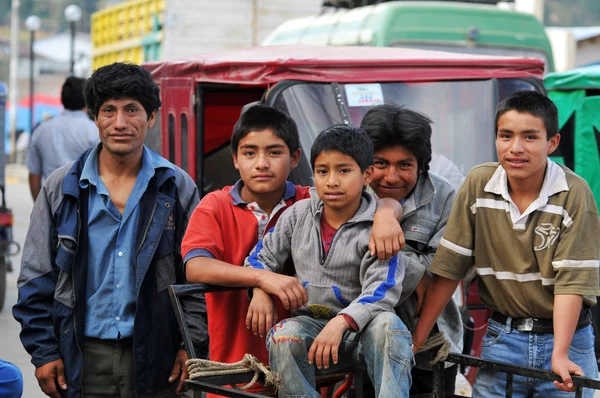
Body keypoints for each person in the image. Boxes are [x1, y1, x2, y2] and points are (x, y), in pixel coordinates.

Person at [13, 62, 206, 398]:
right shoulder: (61, 187)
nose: (120, 123)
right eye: (109, 110)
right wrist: (44, 351)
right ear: (95, 117)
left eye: (132, 109)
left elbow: (194, 277)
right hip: (81, 358)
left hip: (157, 356)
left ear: (151, 117)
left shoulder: (176, 187)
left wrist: (191, 344)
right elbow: (35, 276)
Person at [181, 105, 404, 389]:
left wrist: (387, 212)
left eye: (274, 152)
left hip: (321, 354)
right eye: (250, 153)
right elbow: (196, 266)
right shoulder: (220, 206)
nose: (262, 163)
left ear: (295, 157)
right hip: (238, 359)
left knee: (385, 327)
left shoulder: (308, 201)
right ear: (235, 159)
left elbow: (367, 201)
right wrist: (262, 281)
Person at [412, 90, 600, 397]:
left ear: (552, 143)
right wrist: (417, 338)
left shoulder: (574, 194)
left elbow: (572, 282)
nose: (515, 148)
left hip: (567, 340)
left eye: (529, 137)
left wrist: (561, 354)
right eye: (505, 135)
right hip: (502, 339)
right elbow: (450, 267)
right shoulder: (478, 185)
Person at [244, 124, 411, 397]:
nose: (332, 181)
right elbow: (259, 258)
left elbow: (382, 290)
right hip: (311, 329)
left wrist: (342, 321)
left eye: (344, 170)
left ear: (367, 175)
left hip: (363, 333)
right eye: (323, 171)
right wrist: (260, 288)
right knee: (283, 334)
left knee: (389, 326)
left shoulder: (381, 227)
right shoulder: (298, 214)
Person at [359, 104, 463, 395]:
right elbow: (341, 264)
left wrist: (386, 240)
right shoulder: (342, 190)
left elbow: (445, 270)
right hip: (355, 341)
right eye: (381, 164)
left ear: (421, 164)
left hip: (429, 345)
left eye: (404, 165)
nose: (392, 177)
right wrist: (384, 214)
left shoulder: (444, 197)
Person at [26, 76, 99, 201]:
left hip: (50, 202)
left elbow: (34, 174)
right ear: (87, 101)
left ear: (62, 99)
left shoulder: (41, 130)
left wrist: (40, 207)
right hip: (85, 206)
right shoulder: (95, 131)